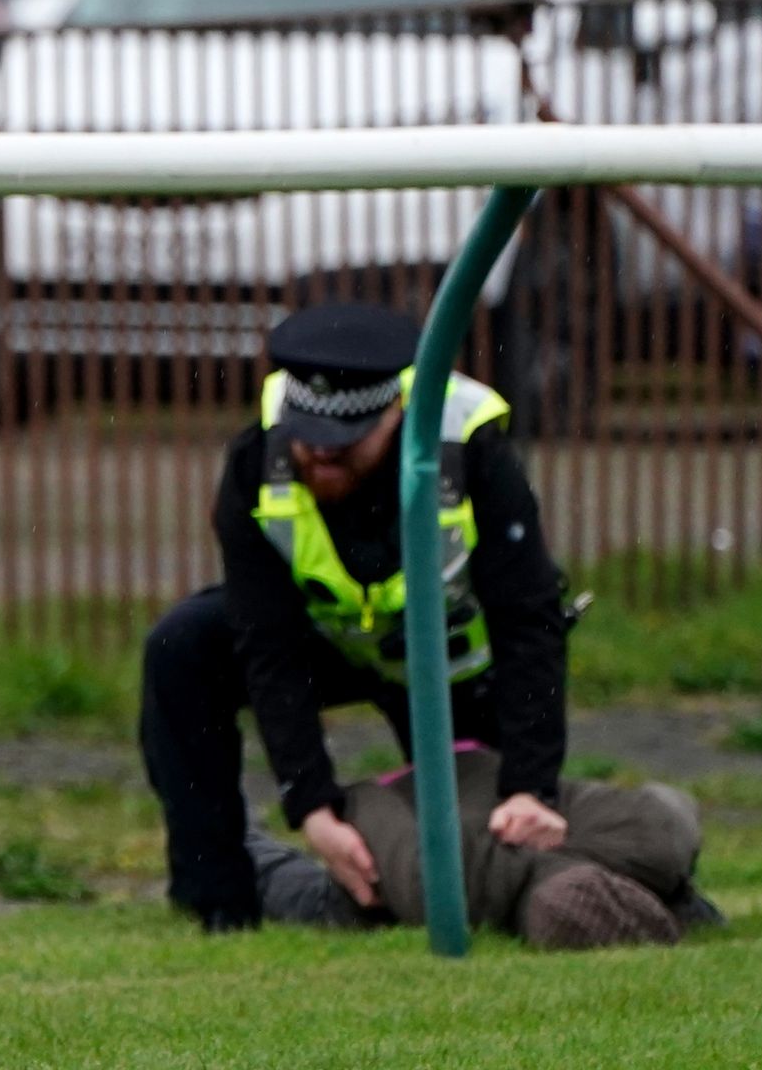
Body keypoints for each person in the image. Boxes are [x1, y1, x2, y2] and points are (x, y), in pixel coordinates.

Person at [139, 303, 573, 932]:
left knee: (478, 866)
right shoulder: (257, 459)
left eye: (342, 447)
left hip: (448, 661)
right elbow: (270, 647)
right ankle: (218, 895)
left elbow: (529, 622)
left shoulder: (470, 449)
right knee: (181, 648)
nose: (317, 458)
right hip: (327, 641)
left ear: (396, 413)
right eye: (305, 439)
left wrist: (530, 786)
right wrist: (313, 806)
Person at [246, 747, 719, 949]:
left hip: (444, 807)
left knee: (308, 890)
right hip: (407, 817)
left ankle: (242, 841)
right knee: (311, 888)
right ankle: (241, 840)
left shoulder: (649, 838)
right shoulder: (649, 837)